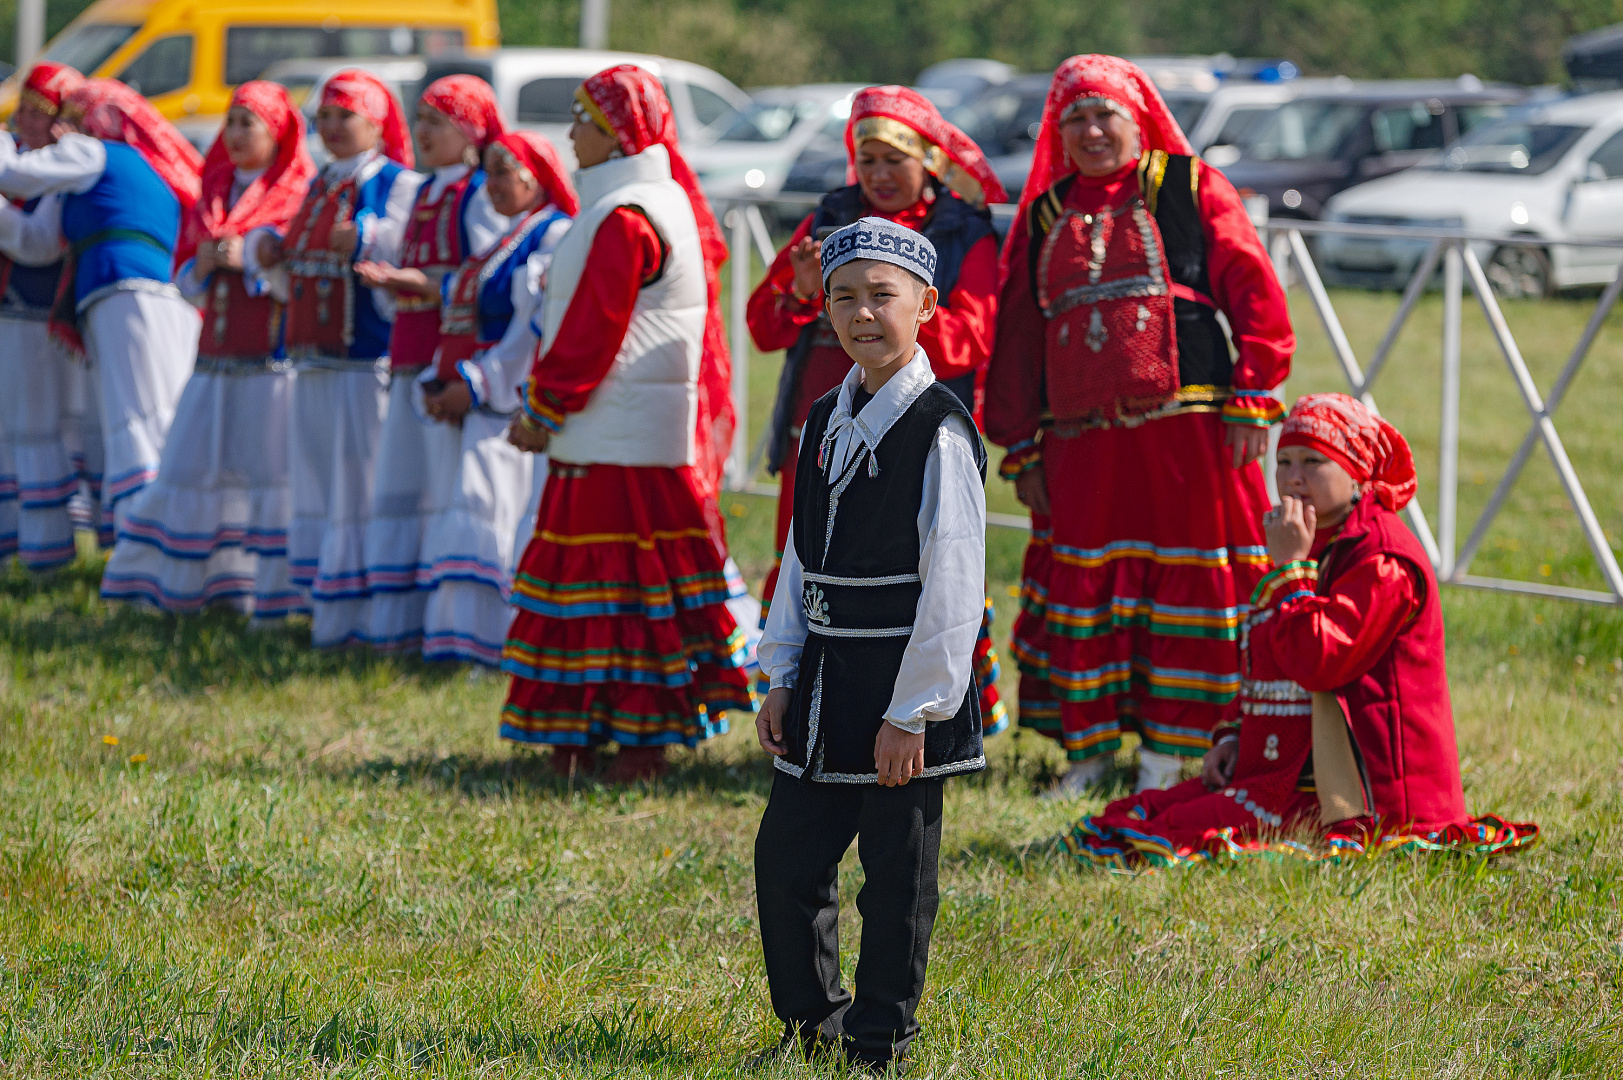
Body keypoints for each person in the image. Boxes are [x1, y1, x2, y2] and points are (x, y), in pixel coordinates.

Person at [984, 55, 1295, 797]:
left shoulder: (1190, 188)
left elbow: (1253, 289)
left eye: (1105, 116)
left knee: (1189, 583)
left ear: (1138, 120)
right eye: (1076, 120)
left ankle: (1176, 752)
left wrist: (1253, 394)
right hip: (1080, 444)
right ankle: (1087, 755)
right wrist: (1021, 441)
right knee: (1086, 586)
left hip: (1185, 432)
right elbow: (1020, 337)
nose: (1092, 132)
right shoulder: (1046, 212)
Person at [1065, 394, 1540, 866]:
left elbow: (1318, 663)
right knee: (1156, 812)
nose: (1293, 477)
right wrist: (1232, 735)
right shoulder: (1313, 537)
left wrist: (1290, 570)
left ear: (1356, 471)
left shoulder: (1382, 558)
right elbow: (1267, 655)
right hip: (1296, 769)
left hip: (1374, 795)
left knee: (1182, 828)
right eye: (1284, 461)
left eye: (1314, 462)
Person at [751, 218, 985, 1074]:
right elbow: (798, 556)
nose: (861, 314)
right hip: (821, 678)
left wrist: (913, 714)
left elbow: (955, 582)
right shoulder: (824, 415)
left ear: (925, 304)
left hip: (899, 683)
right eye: (843, 296)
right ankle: (811, 1019)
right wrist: (780, 670)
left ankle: (879, 1038)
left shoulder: (939, 430)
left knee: (895, 876)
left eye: (881, 296)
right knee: (786, 859)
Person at [500, 65, 749, 783]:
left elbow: (590, 330)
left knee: (617, 591)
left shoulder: (627, 216)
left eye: (582, 119)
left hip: (616, 437)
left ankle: (626, 742)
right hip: (622, 432)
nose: (570, 132)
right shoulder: (644, 203)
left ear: (614, 135)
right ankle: (599, 736)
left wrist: (543, 407)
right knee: (626, 593)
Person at [746, 84, 1009, 737]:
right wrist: (805, 295)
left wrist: (883, 325)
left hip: (914, 433)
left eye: (895, 158)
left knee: (924, 567)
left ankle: (931, 717)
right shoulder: (827, 221)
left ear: (930, 160)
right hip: (823, 431)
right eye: (867, 160)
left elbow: (971, 336)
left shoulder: (960, 231)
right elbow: (761, 326)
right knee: (812, 559)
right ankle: (804, 708)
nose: (880, 175)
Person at [100, 82, 315, 616]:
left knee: (269, 476)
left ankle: (272, 599)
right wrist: (206, 263)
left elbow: (302, 285)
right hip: (213, 357)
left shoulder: (298, 192)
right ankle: (180, 588)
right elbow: (182, 278)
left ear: (278, 133)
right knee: (189, 464)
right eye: (232, 122)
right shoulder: (212, 186)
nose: (236, 134)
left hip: (269, 362)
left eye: (250, 124)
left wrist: (254, 262)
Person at [249, 69, 419, 647]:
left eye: (345, 115)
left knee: (364, 481)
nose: (332, 127)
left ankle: (375, 614)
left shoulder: (398, 181)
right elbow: (290, 269)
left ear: (376, 122)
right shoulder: (318, 184)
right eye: (323, 116)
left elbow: (411, 245)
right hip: (314, 358)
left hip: (364, 357)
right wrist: (273, 251)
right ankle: (325, 605)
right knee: (321, 480)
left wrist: (371, 235)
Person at [0, 79, 203, 549]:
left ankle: (145, 548)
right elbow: (37, 237)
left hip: (127, 293)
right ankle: (158, 542)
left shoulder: (95, 154)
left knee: (137, 416)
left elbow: (12, 173)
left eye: (76, 116)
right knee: (148, 413)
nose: (64, 128)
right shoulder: (127, 164)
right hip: (145, 296)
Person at [353, 74, 511, 649]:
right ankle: (404, 620)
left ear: (469, 131)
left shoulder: (476, 193)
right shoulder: (424, 190)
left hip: (451, 362)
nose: (421, 132)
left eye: (436, 122)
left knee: (447, 486)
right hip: (409, 356)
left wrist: (412, 283)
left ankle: (456, 624)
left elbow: (487, 274)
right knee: (403, 480)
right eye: (418, 120)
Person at [416, 130, 575, 664]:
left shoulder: (554, 235)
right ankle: (467, 643)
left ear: (536, 173)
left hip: (511, 401)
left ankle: (497, 645)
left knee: (496, 513)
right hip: (485, 391)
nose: (493, 183)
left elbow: (533, 331)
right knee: (479, 508)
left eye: (505, 170)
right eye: (488, 172)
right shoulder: (509, 236)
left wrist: (479, 384)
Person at [0, 61, 85, 570]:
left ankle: (45, 550)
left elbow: (38, 245)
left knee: (32, 428)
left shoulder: (60, 172)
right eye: (24, 109)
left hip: (34, 317)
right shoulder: (19, 160)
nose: (28, 122)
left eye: (41, 113)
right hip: (7, 316)